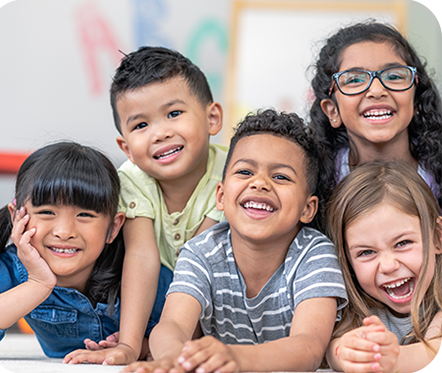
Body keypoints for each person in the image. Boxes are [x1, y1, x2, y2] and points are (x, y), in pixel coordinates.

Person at [122, 109, 348, 373]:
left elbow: (308, 348)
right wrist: (175, 359)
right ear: (221, 195)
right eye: (244, 172)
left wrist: (237, 359)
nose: (259, 183)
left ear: (307, 209)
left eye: (281, 177)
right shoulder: (201, 252)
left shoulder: (315, 255)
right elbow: (172, 325)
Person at [65, 46, 227, 365]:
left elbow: (202, 261)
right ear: (125, 147)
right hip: (158, 294)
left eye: (174, 113)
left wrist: (173, 336)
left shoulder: (232, 171)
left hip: (219, 290)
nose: (160, 133)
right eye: (141, 125)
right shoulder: (131, 179)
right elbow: (141, 257)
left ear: (212, 117)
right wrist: (128, 343)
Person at [0, 142, 127, 358]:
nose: (64, 232)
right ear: (17, 217)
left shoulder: (135, 269)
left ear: (113, 227)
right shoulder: (13, 267)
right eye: (46, 212)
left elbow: (184, 328)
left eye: (85, 215)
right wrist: (38, 283)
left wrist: (143, 345)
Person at [309, 21, 442, 220]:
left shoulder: (437, 176)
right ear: (332, 111)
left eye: (394, 76)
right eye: (354, 80)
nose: (377, 90)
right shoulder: (314, 182)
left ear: (416, 101)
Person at [325, 161, 442, 373]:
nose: (388, 266)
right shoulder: (357, 308)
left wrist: (395, 360)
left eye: (403, 243)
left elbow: (436, 354)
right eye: (366, 252)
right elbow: (333, 348)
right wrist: (347, 353)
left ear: (437, 238)